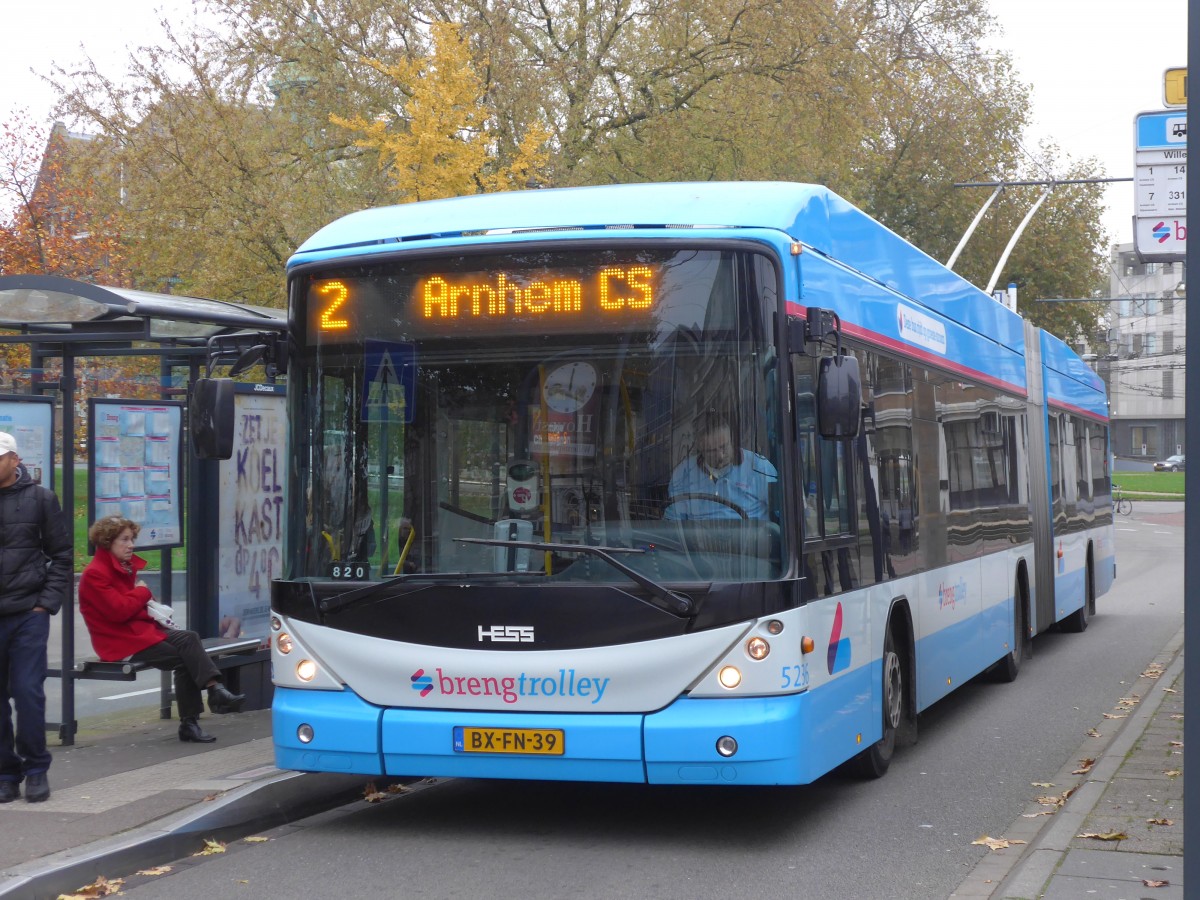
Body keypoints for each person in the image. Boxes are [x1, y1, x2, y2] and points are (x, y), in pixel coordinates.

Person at [79, 516, 245, 744]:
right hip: (121, 642)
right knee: (184, 659)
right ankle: (193, 719)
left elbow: (129, 606)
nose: (131, 545)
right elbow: (119, 611)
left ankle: (215, 691)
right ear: (107, 542)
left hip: (139, 632)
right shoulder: (95, 574)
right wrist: (142, 592)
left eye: (131, 539)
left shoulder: (122, 567)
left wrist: (139, 595)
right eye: (124, 540)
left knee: (189, 638)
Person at [0, 432, 71, 803]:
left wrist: (45, 602)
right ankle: (5, 773)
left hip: (28, 612)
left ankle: (36, 768)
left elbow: (61, 553)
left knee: (27, 692)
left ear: (15, 459)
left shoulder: (40, 499)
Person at [665, 414, 777, 521]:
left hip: (751, 538)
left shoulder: (759, 467)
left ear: (731, 440)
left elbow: (784, 513)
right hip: (699, 539)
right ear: (700, 447)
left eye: (724, 447)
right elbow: (673, 524)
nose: (720, 456)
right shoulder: (683, 474)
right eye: (711, 451)